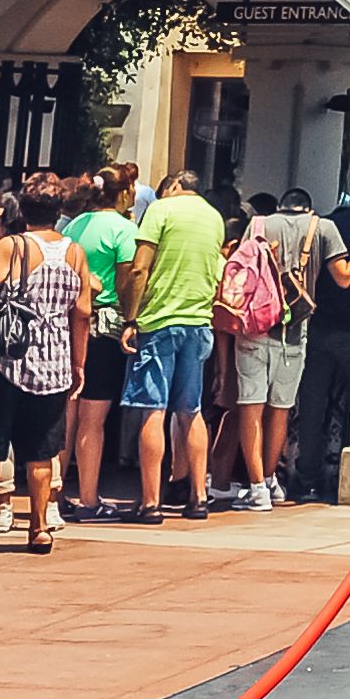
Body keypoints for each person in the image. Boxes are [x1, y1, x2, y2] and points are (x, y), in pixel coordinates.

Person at [0, 177, 89, 549]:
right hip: (53, 362)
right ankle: (39, 527)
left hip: (4, 360)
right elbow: (82, 312)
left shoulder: (11, 247)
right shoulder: (74, 253)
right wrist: (79, 362)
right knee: (42, 452)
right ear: (59, 211)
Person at [119, 168, 227, 520]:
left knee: (154, 409)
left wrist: (131, 317)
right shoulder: (214, 217)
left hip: (159, 320)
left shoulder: (161, 211)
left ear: (176, 187)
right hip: (198, 323)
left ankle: (151, 501)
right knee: (191, 411)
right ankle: (198, 496)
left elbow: (139, 268)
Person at [227, 188, 340, 508]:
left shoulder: (259, 224)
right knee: (280, 409)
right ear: (308, 208)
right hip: (295, 333)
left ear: (281, 206)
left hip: (256, 327)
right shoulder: (323, 228)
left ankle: (256, 487)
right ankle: (270, 481)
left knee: (251, 406)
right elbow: (343, 278)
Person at [288, 183, 350, 503]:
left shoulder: (325, 223)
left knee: (313, 403)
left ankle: (307, 476)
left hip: (318, 323)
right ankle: (343, 472)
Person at [62, 174, 139, 501]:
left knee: (67, 414)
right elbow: (127, 280)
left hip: (68, 321)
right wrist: (131, 318)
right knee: (93, 420)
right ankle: (89, 498)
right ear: (122, 193)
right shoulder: (125, 229)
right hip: (104, 325)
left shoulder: (74, 225)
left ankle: (52, 496)